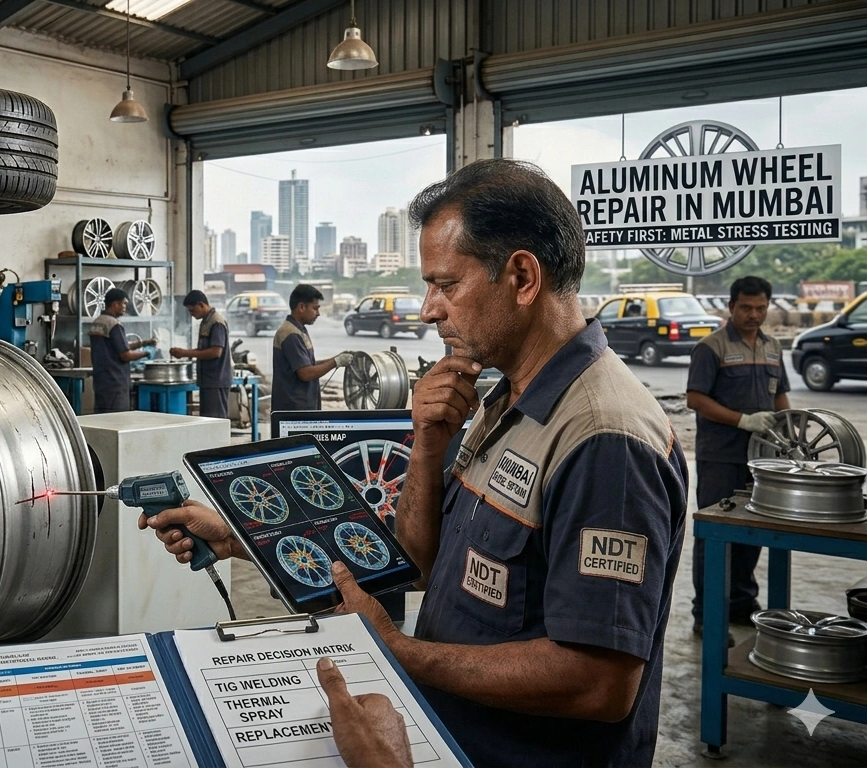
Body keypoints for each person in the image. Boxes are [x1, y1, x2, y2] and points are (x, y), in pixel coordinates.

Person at [142, 159, 687, 768]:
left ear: (523, 277)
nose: (429, 310)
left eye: (446, 284)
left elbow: (599, 683)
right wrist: (250, 535)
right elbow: (419, 563)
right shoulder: (504, 399)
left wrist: (398, 650)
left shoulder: (603, 438)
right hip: (449, 738)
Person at [686, 275, 789, 633]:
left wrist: (789, 434)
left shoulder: (773, 347)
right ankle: (707, 612)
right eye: (746, 307)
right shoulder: (710, 348)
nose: (754, 314)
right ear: (731, 307)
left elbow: (780, 398)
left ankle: (741, 604)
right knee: (714, 535)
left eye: (761, 307)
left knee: (754, 532)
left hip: (762, 460)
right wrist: (743, 420)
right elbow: (695, 399)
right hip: (721, 458)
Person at [272, 284, 353, 411]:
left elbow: (307, 364)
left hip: (302, 407)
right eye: (315, 308)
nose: (318, 313)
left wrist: (336, 358)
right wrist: (335, 362)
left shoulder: (299, 330)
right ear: (301, 307)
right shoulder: (290, 334)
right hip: (293, 410)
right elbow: (305, 373)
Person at [89, 287, 153, 413]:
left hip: (101, 381)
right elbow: (125, 355)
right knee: (117, 420)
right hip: (116, 382)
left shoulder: (98, 322)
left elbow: (118, 346)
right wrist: (146, 353)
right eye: (124, 303)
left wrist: (144, 343)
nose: (125, 307)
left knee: (102, 420)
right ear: (115, 304)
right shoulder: (114, 324)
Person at [170, 290, 230, 419]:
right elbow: (204, 349)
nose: (191, 314)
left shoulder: (216, 322)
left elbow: (215, 352)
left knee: (215, 420)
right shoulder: (206, 322)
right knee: (207, 420)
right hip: (208, 380)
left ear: (201, 305)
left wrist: (185, 353)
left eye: (192, 310)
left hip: (216, 380)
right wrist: (185, 353)